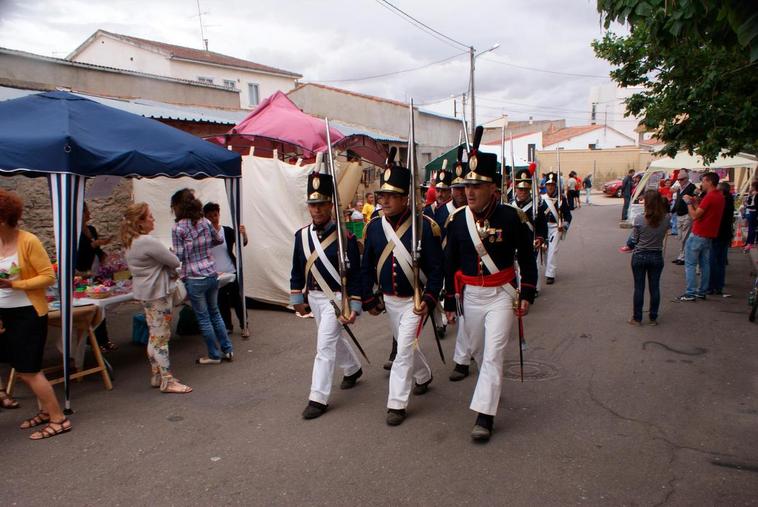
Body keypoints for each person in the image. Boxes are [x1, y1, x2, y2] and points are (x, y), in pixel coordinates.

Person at [443, 127, 537, 442]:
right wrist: (447, 300)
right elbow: (450, 263)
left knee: (494, 352)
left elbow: (526, 257)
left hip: (501, 295)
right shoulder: (457, 221)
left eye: (477, 186)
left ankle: (485, 416)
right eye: (467, 185)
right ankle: (491, 388)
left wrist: (527, 292)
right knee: (479, 352)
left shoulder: (512, 218)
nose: (469, 192)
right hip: (471, 295)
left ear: (493, 187)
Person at [360, 149, 443, 427]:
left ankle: (396, 403)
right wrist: (369, 298)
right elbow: (366, 266)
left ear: (405, 198)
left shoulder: (423, 226)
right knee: (409, 346)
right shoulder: (373, 228)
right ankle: (423, 376)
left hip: (414, 301)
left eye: (390, 196)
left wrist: (430, 298)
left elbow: (436, 270)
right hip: (389, 300)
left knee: (403, 348)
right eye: (382, 196)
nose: (383, 201)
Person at [290, 171, 363, 419]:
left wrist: (353, 304)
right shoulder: (301, 236)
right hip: (314, 297)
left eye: (321, 204)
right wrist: (297, 299)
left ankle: (317, 398)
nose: (317, 209)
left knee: (324, 347)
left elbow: (355, 274)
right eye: (313, 204)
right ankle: (352, 369)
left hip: (336, 299)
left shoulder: (345, 238)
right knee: (331, 339)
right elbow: (297, 269)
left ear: (330, 205)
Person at [0, 189, 71, 440]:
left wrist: (14, 285)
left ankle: (58, 419)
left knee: (29, 369)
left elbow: (48, 277)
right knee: (22, 368)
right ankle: (44, 412)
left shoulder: (28, 240)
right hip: (6, 314)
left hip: (28, 313)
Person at [122, 202, 191, 393]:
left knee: (154, 335)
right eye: (149, 216)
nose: (153, 219)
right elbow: (175, 261)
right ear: (140, 222)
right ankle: (167, 381)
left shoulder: (130, 242)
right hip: (158, 293)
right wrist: (168, 260)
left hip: (146, 293)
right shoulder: (147, 241)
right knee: (161, 337)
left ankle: (157, 375)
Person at [171, 191, 234, 364]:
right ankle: (227, 350)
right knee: (215, 313)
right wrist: (204, 245)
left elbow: (179, 257)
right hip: (211, 273)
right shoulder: (205, 222)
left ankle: (214, 355)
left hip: (194, 276)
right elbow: (219, 239)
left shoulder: (178, 228)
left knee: (204, 317)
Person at [202, 202, 250, 338]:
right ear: (205, 217)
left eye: (215, 215)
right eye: (210, 216)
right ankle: (227, 326)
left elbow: (243, 243)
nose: (213, 219)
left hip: (231, 270)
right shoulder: (204, 235)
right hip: (215, 273)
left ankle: (244, 324)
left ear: (219, 214)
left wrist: (243, 234)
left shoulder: (227, 231)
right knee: (221, 301)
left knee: (237, 300)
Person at [76, 202, 118, 353]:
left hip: (95, 272)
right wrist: (93, 246)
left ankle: (103, 340)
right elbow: (79, 254)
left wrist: (105, 258)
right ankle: (91, 341)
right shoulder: (73, 233)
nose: (89, 213)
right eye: (86, 211)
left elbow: (97, 250)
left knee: (100, 308)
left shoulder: (91, 229)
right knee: (88, 307)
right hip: (81, 275)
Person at [679, 172, 725, 301]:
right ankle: (702, 290)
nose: (702, 184)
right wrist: (695, 202)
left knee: (690, 264)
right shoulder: (719, 196)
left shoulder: (710, 197)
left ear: (709, 182)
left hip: (699, 232)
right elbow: (702, 211)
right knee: (705, 264)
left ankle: (690, 292)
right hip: (709, 234)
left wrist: (688, 203)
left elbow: (694, 215)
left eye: (704, 181)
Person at [629, 190, 670, 325]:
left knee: (639, 288)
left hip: (640, 255)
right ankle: (653, 317)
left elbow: (634, 240)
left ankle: (637, 318)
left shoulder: (640, 219)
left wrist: (629, 244)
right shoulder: (666, 218)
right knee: (655, 287)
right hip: (656, 255)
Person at [513, 168, 547, 296]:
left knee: (533, 265)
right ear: (516, 189)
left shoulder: (536, 206)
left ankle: (533, 289)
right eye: (520, 189)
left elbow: (542, 226)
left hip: (530, 241)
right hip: (515, 243)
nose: (522, 192)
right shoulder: (511, 206)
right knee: (516, 269)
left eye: (525, 190)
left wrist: (540, 238)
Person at [539, 172, 572, 285]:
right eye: (548, 185)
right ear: (545, 185)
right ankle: (548, 270)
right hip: (543, 227)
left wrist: (564, 225)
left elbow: (568, 216)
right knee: (545, 251)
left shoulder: (561, 198)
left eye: (552, 185)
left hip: (555, 228)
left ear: (555, 185)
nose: (550, 187)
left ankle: (550, 274)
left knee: (553, 250)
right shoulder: (540, 198)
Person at [708, 182, 735, 295]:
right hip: (725, 234)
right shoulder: (729, 200)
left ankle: (712, 285)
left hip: (718, 233)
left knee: (713, 260)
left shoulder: (723, 201)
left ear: (722, 191)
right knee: (721, 261)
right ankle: (719, 285)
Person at [672, 169, 696, 264]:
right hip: (679, 214)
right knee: (681, 236)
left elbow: (695, 200)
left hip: (687, 214)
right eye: (679, 179)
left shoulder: (692, 187)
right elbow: (677, 201)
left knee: (685, 237)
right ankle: (681, 255)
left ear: (686, 178)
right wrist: (672, 211)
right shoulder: (679, 189)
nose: (680, 181)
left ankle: (684, 257)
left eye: (681, 179)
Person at [743, 180, 758, 250]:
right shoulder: (752, 194)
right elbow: (749, 202)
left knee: (752, 228)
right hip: (751, 212)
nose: (750, 187)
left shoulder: (756, 194)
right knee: (750, 228)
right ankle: (748, 242)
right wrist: (749, 194)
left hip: (754, 213)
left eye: (752, 186)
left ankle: (750, 243)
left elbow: (754, 206)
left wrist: (747, 205)